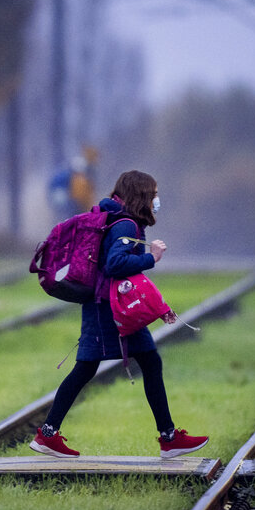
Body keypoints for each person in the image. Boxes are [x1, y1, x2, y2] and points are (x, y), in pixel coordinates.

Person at [30, 169, 209, 460]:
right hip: (109, 309)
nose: (155, 200)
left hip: (106, 305)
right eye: (153, 194)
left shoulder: (116, 218)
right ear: (141, 195)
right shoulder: (126, 225)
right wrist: (153, 257)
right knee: (95, 368)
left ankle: (168, 438)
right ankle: (48, 434)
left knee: (146, 361)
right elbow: (115, 264)